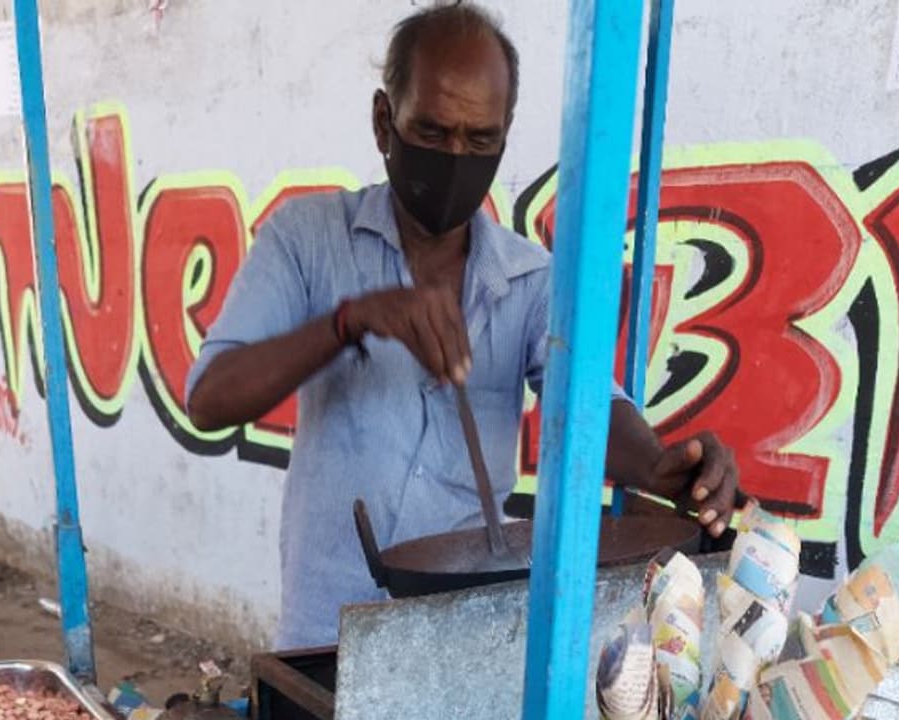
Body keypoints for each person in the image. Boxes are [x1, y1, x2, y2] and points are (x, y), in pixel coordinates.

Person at [184, 2, 740, 650]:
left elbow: (584, 399)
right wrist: (350, 319)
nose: (455, 157)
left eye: (480, 141)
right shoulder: (306, 240)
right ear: (384, 121)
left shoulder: (530, 282)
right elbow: (209, 398)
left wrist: (659, 465)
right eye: (432, 131)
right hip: (324, 631)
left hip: (463, 636)